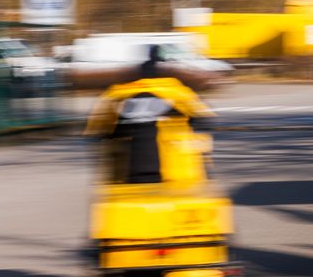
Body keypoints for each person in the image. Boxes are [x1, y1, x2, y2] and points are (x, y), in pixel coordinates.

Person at [85, 49, 215, 187]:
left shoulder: (119, 94)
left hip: (129, 174)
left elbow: (97, 129)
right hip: (174, 173)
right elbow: (203, 118)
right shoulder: (176, 92)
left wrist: (110, 136)